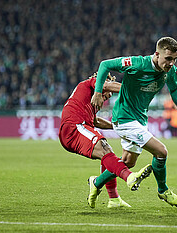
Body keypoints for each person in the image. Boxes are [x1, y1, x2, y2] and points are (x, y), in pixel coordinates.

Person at [91, 37, 177, 207]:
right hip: (123, 118)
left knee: (128, 161)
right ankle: (163, 190)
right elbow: (105, 65)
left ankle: (96, 183)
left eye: (174, 59)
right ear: (157, 54)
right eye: (168, 58)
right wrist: (98, 92)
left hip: (139, 119)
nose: (171, 63)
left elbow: (174, 88)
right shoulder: (136, 63)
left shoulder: (170, 71)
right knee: (161, 152)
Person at [59, 72, 152, 209]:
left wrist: (116, 126)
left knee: (107, 153)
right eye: (108, 91)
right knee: (105, 150)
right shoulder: (92, 82)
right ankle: (129, 177)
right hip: (74, 127)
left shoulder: (88, 97)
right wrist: (133, 90)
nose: (109, 96)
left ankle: (113, 199)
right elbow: (106, 85)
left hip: (79, 127)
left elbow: (95, 121)